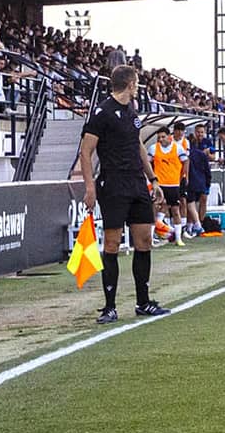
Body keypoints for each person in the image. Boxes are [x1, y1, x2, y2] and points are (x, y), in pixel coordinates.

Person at [76, 65, 169, 323]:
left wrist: (153, 179)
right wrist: (90, 188)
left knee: (144, 241)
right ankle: (110, 307)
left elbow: (137, 143)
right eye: (136, 82)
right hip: (113, 184)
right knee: (112, 244)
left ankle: (143, 302)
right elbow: (85, 152)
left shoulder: (131, 111)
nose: (138, 86)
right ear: (130, 84)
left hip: (137, 183)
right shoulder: (102, 113)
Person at [151, 123, 189, 241]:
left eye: (163, 137)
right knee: (156, 207)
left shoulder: (178, 148)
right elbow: (147, 161)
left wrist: (184, 175)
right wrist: (152, 177)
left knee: (175, 209)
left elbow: (186, 161)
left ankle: (178, 238)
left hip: (173, 184)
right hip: (159, 184)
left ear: (169, 136)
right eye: (159, 137)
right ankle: (153, 236)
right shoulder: (153, 148)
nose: (161, 139)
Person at [185, 122, 213, 235]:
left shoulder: (187, 155)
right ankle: (193, 226)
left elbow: (212, 157)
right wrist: (208, 181)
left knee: (191, 204)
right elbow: (207, 169)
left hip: (191, 182)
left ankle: (196, 225)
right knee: (194, 203)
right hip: (201, 182)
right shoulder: (200, 154)